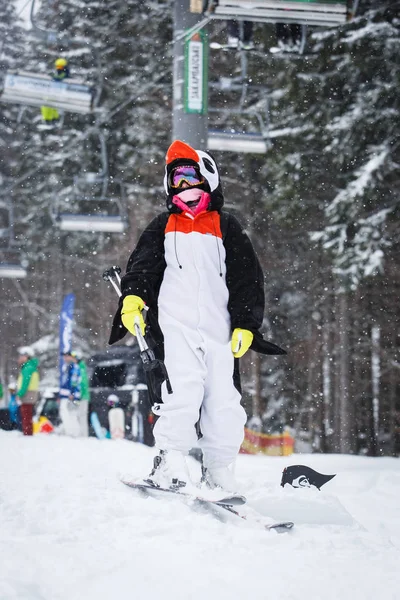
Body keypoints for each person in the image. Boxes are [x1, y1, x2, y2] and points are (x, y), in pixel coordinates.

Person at [109, 139, 285, 495]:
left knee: (225, 401)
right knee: (180, 391)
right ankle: (169, 461)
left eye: (190, 176)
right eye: (176, 180)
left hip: (220, 332)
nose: (184, 187)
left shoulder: (227, 226)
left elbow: (247, 280)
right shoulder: (162, 226)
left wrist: (246, 325)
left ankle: (219, 470)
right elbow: (141, 269)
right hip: (176, 328)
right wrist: (132, 302)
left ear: (208, 177)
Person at [16, 346, 40, 436]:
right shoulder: (30, 366)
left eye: (21, 356)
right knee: (28, 414)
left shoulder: (28, 367)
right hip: (30, 393)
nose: (20, 358)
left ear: (26, 356)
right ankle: (28, 432)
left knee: (26, 414)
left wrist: (20, 393)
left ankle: (27, 433)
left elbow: (25, 382)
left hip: (27, 393)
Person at [59, 350, 81, 437]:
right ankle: (71, 432)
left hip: (70, 395)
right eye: (64, 356)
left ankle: (72, 433)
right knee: (68, 413)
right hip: (67, 394)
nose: (65, 358)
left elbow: (74, 380)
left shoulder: (73, 366)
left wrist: (72, 393)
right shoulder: (68, 366)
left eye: (66, 356)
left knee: (70, 414)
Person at [41, 57, 70, 124]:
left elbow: (59, 78)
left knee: (47, 102)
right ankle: (51, 118)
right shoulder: (60, 73)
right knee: (49, 103)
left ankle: (50, 118)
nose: (59, 69)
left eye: (60, 67)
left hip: (60, 93)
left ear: (64, 67)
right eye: (58, 67)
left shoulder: (65, 73)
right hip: (56, 92)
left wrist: (53, 76)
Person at [72, 350, 90, 437]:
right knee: (79, 415)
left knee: (81, 415)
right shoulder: (79, 367)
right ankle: (81, 434)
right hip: (81, 396)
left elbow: (82, 383)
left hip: (82, 396)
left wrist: (79, 395)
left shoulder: (80, 368)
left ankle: (83, 435)